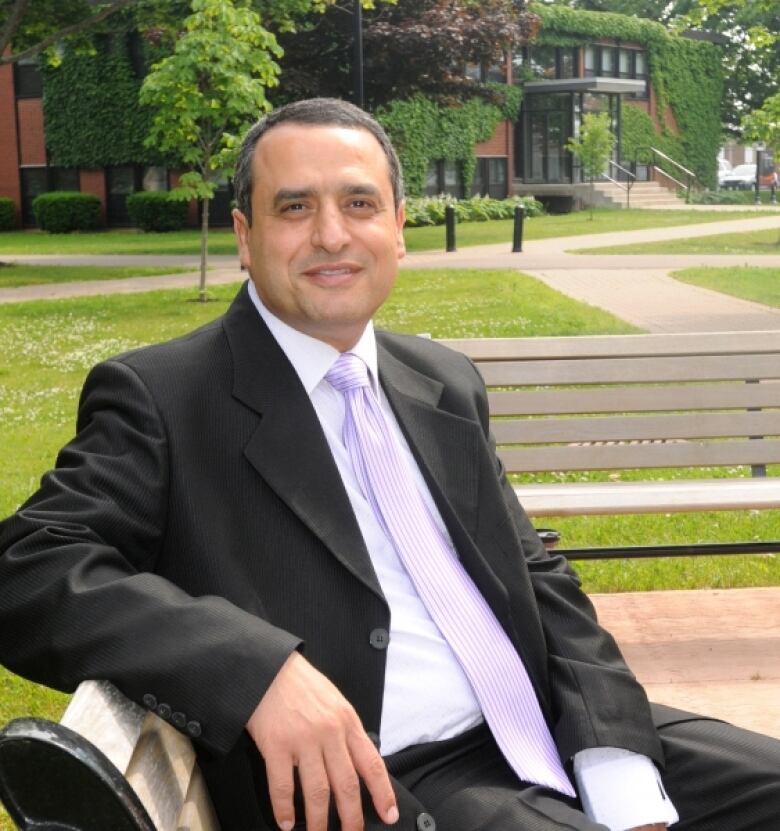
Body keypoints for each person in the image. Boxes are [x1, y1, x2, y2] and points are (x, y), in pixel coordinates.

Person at [0, 98, 778, 831]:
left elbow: (536, 575)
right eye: (295, 207)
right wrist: (256, 670)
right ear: (244, 234)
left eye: (360, 204)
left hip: (550, 724)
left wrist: (614, 756)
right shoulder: (164, 397)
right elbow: (28, 569)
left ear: (399, 228)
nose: (332, 234)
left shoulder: (442, 379)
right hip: (389, 774)